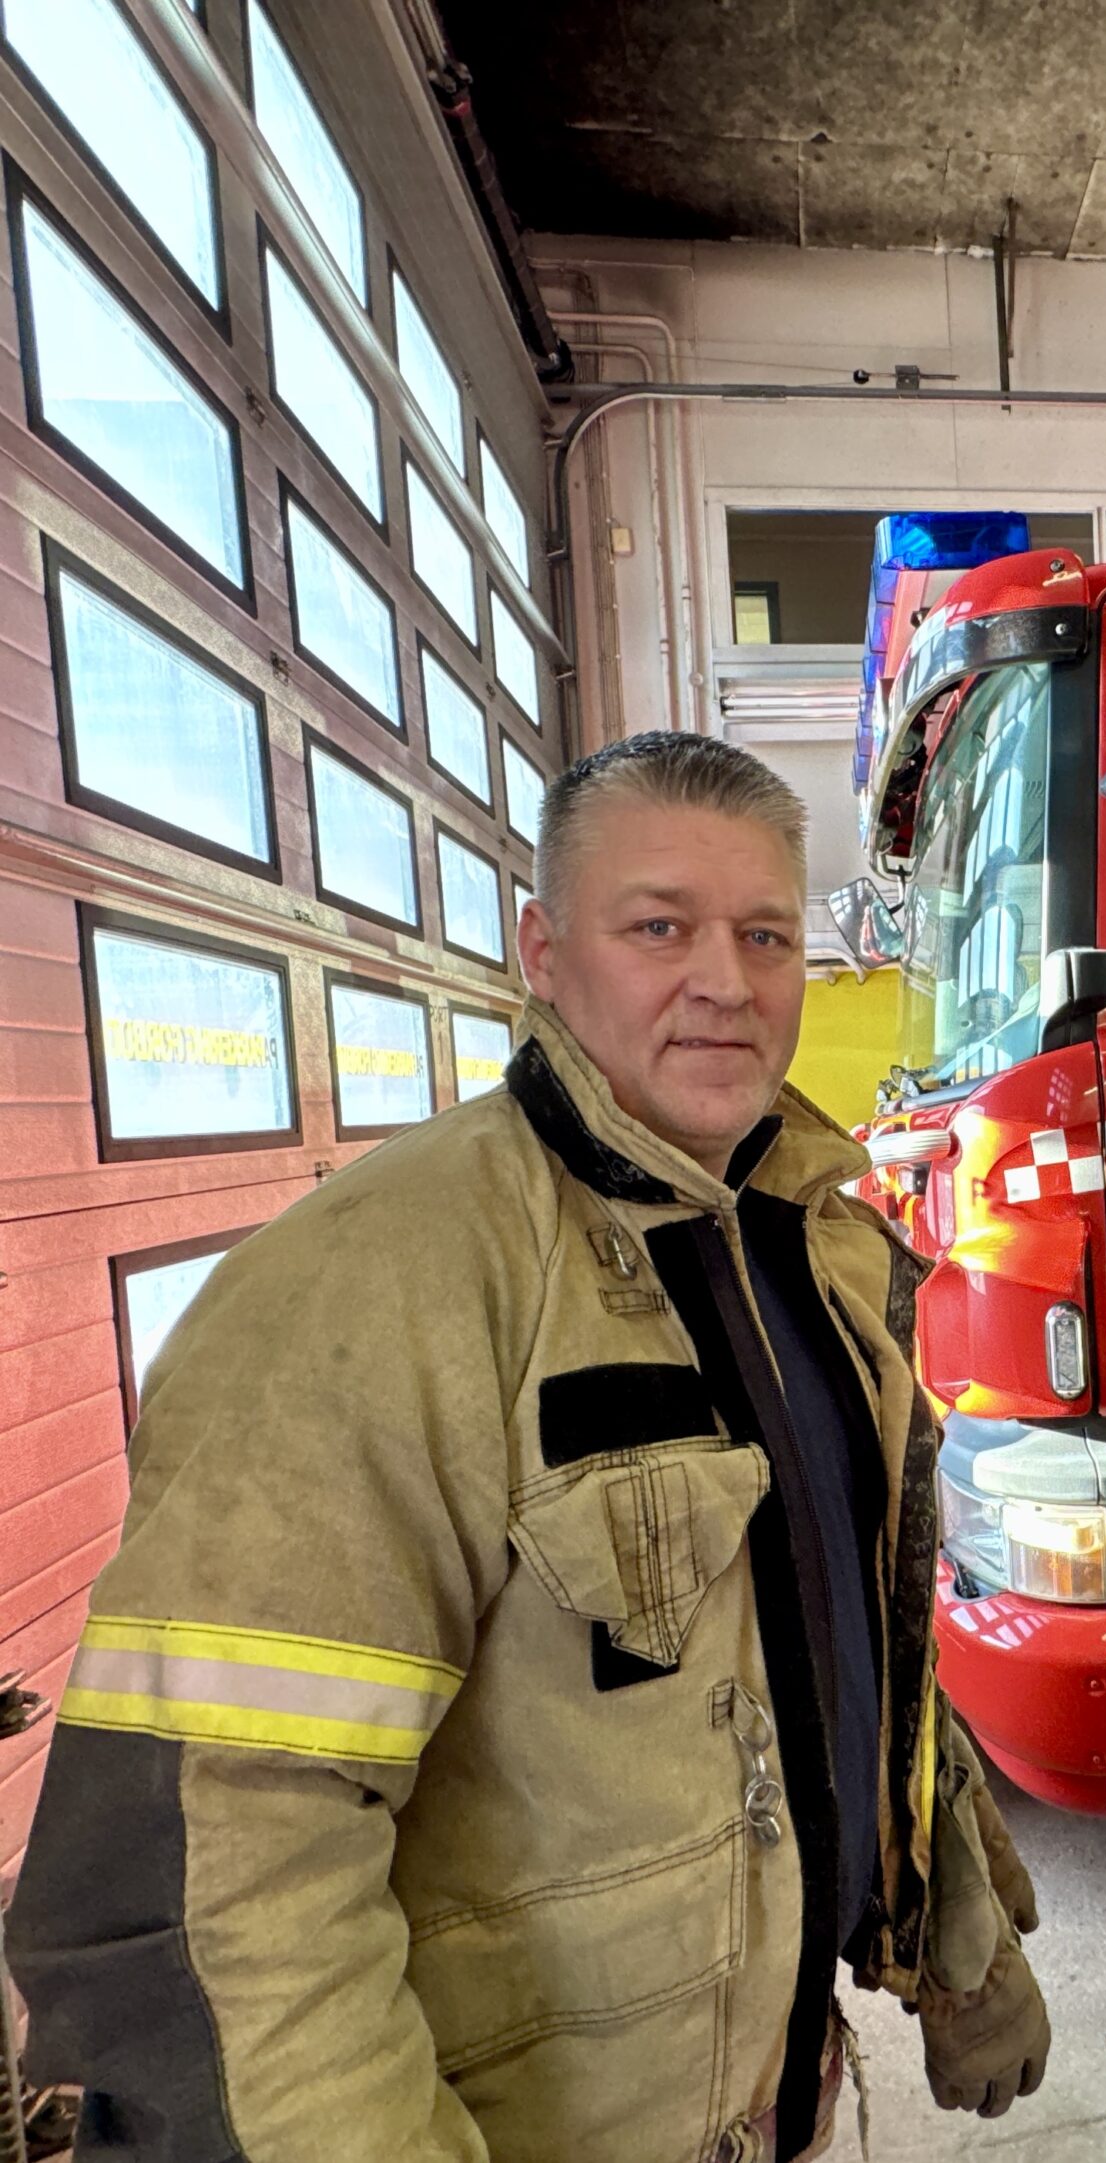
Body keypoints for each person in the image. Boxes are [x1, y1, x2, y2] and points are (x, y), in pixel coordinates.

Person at [11, 732, 1049, 2160]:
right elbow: (233, 1872)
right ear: (544, 954)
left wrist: (961, 1947)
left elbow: (859, 1643)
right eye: (659, 927)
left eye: (764, 935)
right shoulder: (377, 1287)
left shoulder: (814, 1251)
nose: (726, 981)